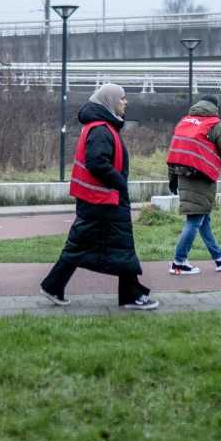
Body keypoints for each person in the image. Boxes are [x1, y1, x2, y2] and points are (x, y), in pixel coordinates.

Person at [40, 83, 156, 309]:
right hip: (103, 200)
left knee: (85, 245)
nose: (126, 102)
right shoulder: (102, 129)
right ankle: (131, 296)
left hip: (100, 200)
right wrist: (120, 182)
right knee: (117, 246)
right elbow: (97, 163)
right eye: (122, 98)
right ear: (111, 101)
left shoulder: (102, 127)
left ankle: (53, 285)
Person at [166, 95, 221, 275]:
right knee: (194, 220)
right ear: (214, 107)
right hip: (202, 176)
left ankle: (219, 258)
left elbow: (177, 150)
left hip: (182, 175)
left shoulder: (185, 121)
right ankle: (178, 262)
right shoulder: (216, 124)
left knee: (202, 218)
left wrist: (172, 178)